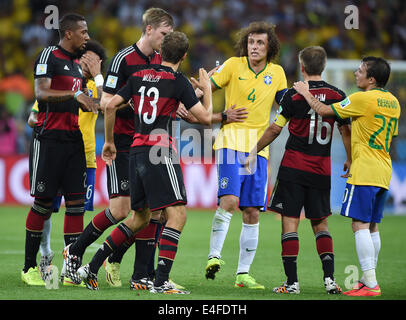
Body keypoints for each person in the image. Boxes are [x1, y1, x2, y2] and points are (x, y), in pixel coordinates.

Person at [77, 31, 213, 294]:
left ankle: (91, 267)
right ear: (184, 56)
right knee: (177, 215)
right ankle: (161, 281)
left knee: (140, 217)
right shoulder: (178, 80)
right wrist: (206, 88)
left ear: (161, 52)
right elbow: (205, 118)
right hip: (159, 151)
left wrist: (109, 141)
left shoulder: (139, 76)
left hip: (136, 150)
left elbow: (110, 105)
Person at [63, 8, 175, 288]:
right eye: (164, 34)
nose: (166, 39)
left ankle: (141, 274)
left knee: (153, 211)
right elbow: (106, 103)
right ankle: (75, 250)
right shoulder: (124, 60)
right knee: (121, 209)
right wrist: (131, 107)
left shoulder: (164, 60)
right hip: (124, 144)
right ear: (148, 29)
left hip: (152, 144)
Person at [245, 46, 351, 294]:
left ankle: (292, 283)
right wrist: (350, 158)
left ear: (301, 67)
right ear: (323, 67)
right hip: (321, 169)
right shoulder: (338, 95)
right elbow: (346, 130)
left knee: (290, 223)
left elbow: (275, 129)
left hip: (293, 168)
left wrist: (253, 149)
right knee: (321, 224)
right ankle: (329, 280)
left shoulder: (292, 96)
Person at [293, 56, 401, 297]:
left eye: (360, 70)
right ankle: (366, 279)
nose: (356, 73)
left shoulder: (362, 98)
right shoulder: (393, 102)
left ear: (371, 79)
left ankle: (371, 284)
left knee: (359, 225)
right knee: (373, 226)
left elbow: (322, 110)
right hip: (384, 169)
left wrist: (305, 91)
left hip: (365, 171)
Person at [205, 21, 288, 289]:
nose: (254, 47)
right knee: (229, 200)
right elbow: (207, 88)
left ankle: (243, 274)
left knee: (252, 211)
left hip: (258, 150)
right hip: (230, 142)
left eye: (260, 43)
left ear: (269, 47)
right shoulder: (232, 65)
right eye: (251, 42)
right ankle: (214, 257)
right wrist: (201, 89)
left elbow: (286, 105)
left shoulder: (277, 73)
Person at [21, 13, 98, 286]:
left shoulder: (78, 66)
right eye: (84, 32)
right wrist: (75, 95)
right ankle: (30, 267)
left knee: (76, 206)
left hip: (73, 142)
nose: (87, 37)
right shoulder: (48, 56)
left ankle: (70, 270)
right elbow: (41, 93)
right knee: (42, 204)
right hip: (49, 139)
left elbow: (87, 101)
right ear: (68, 33)